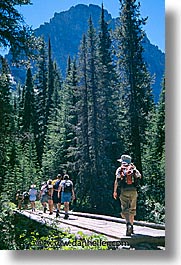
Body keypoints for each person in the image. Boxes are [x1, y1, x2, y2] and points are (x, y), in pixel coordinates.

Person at [113, 154, 141, 236]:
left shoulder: (120, 169)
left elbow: (116, 181)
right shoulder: (133, 168)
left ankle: (128, 224)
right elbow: (139, 176)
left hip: (124, 190)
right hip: (133, 190)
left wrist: (115, 191)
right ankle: (131, 227)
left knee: (125, 209)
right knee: (132, 209)